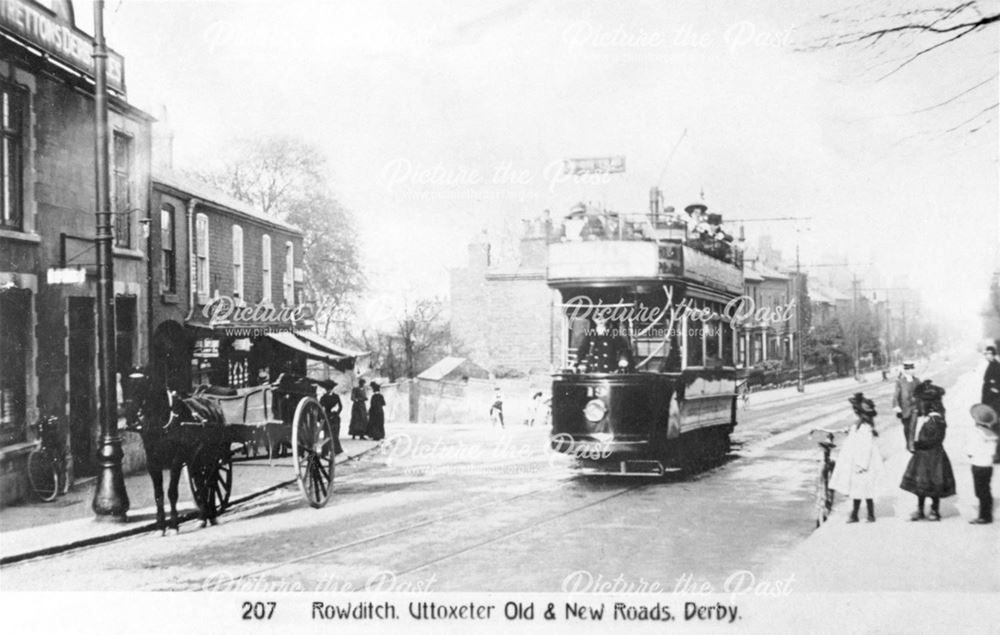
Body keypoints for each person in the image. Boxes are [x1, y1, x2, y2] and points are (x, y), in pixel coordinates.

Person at [900, 380, 956, 521]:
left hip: (934, 457)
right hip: (925, 457)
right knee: (921, 486)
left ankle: (935, 511)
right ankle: (920, 510)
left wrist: (917, 445)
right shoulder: (929, 418)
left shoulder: (937, 420)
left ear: (928, 404)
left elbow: (933, 440)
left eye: (920, 403)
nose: (918, 406)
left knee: (934, 485)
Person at [830, 394, 884, 523]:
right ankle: (864, 514)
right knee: (864, 490)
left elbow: (866, 448)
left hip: (863, 462)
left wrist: (861, 465)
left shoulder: (865, 428)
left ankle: (862, 515)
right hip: (861, 461)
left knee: (860, 489)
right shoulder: (861, 425)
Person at [967, 404, 997, 524]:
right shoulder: (992, 435)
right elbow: (992, 451)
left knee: (980, 491)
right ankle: (986, 513)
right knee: (986, 489)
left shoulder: (975, 433)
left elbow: (969, 449)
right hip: (988, 465)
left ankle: (984, 516)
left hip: (977, 464)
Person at [893, 361, 920, 452]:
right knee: (906, 428)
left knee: (913, 426)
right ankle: (908, 443)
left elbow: (921, 393)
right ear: (906, 370)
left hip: (915, 408)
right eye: (911, 369)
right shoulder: (900, 382)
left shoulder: (917, 381)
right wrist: (896, 406)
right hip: (904, 409)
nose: (913, 370)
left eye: (913, 368)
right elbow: (896, 395)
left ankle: (911, 445)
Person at [318, 380, 344, 455]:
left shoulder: (336, 396)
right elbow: (320, 407)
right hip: (327, 416)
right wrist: (322, 416)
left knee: (335, 433)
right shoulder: (323, 397)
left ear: (332, 388)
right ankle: (325, 451)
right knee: (327, 434)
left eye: (329, 388)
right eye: (327, 388)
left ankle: (336, 450)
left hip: (335, 417)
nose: (328, 390)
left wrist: (337, 413)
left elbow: (340, 406)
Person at [981, 346, 1000, 413]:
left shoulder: (996, 365)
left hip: (993, 398)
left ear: (993, 354)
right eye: (986, 354)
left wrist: (995, 388)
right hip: (988, 395)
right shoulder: (991, 365)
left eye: (989, 353)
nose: (987, 356)